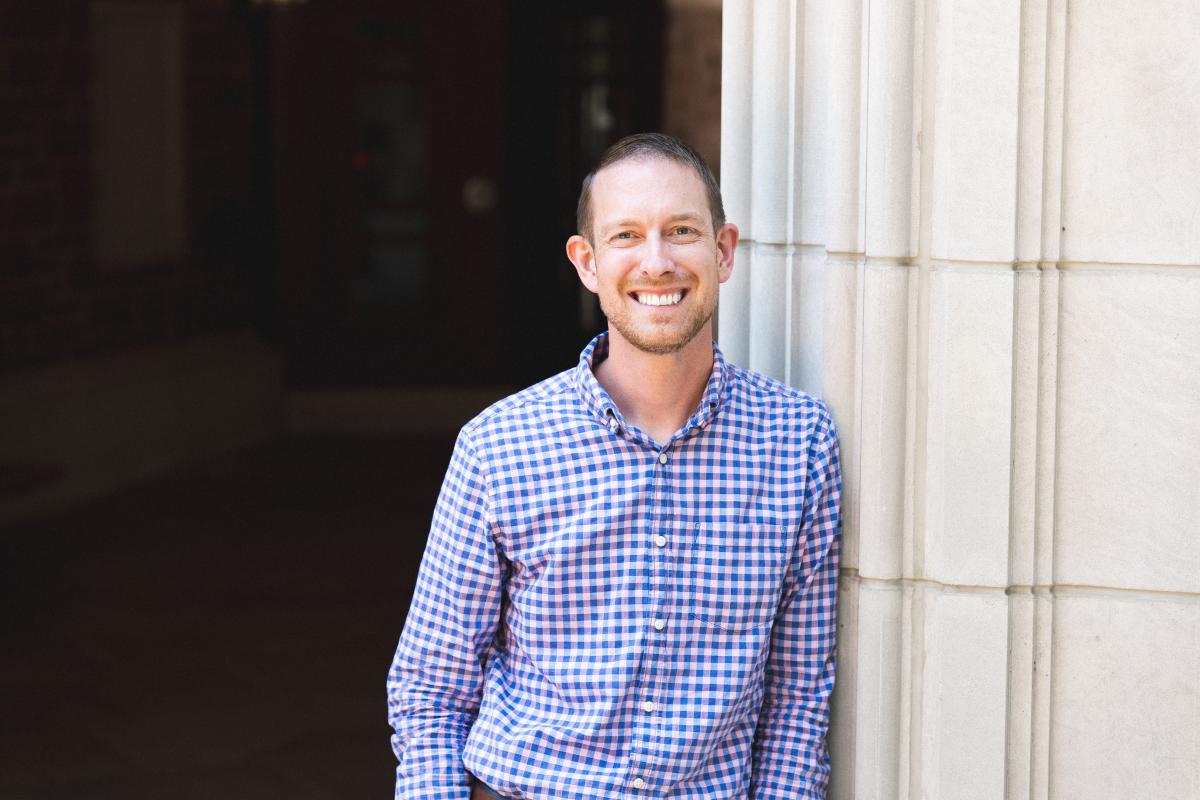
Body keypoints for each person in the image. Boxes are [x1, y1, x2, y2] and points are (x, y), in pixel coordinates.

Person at [387, 133, 842, 800]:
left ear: (722, 252)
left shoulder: (797, 443)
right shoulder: (499, 447)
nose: (656, 262)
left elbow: (799, 697)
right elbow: (431, 688)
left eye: (681, 231)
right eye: (626, 235)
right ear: (588, 262)